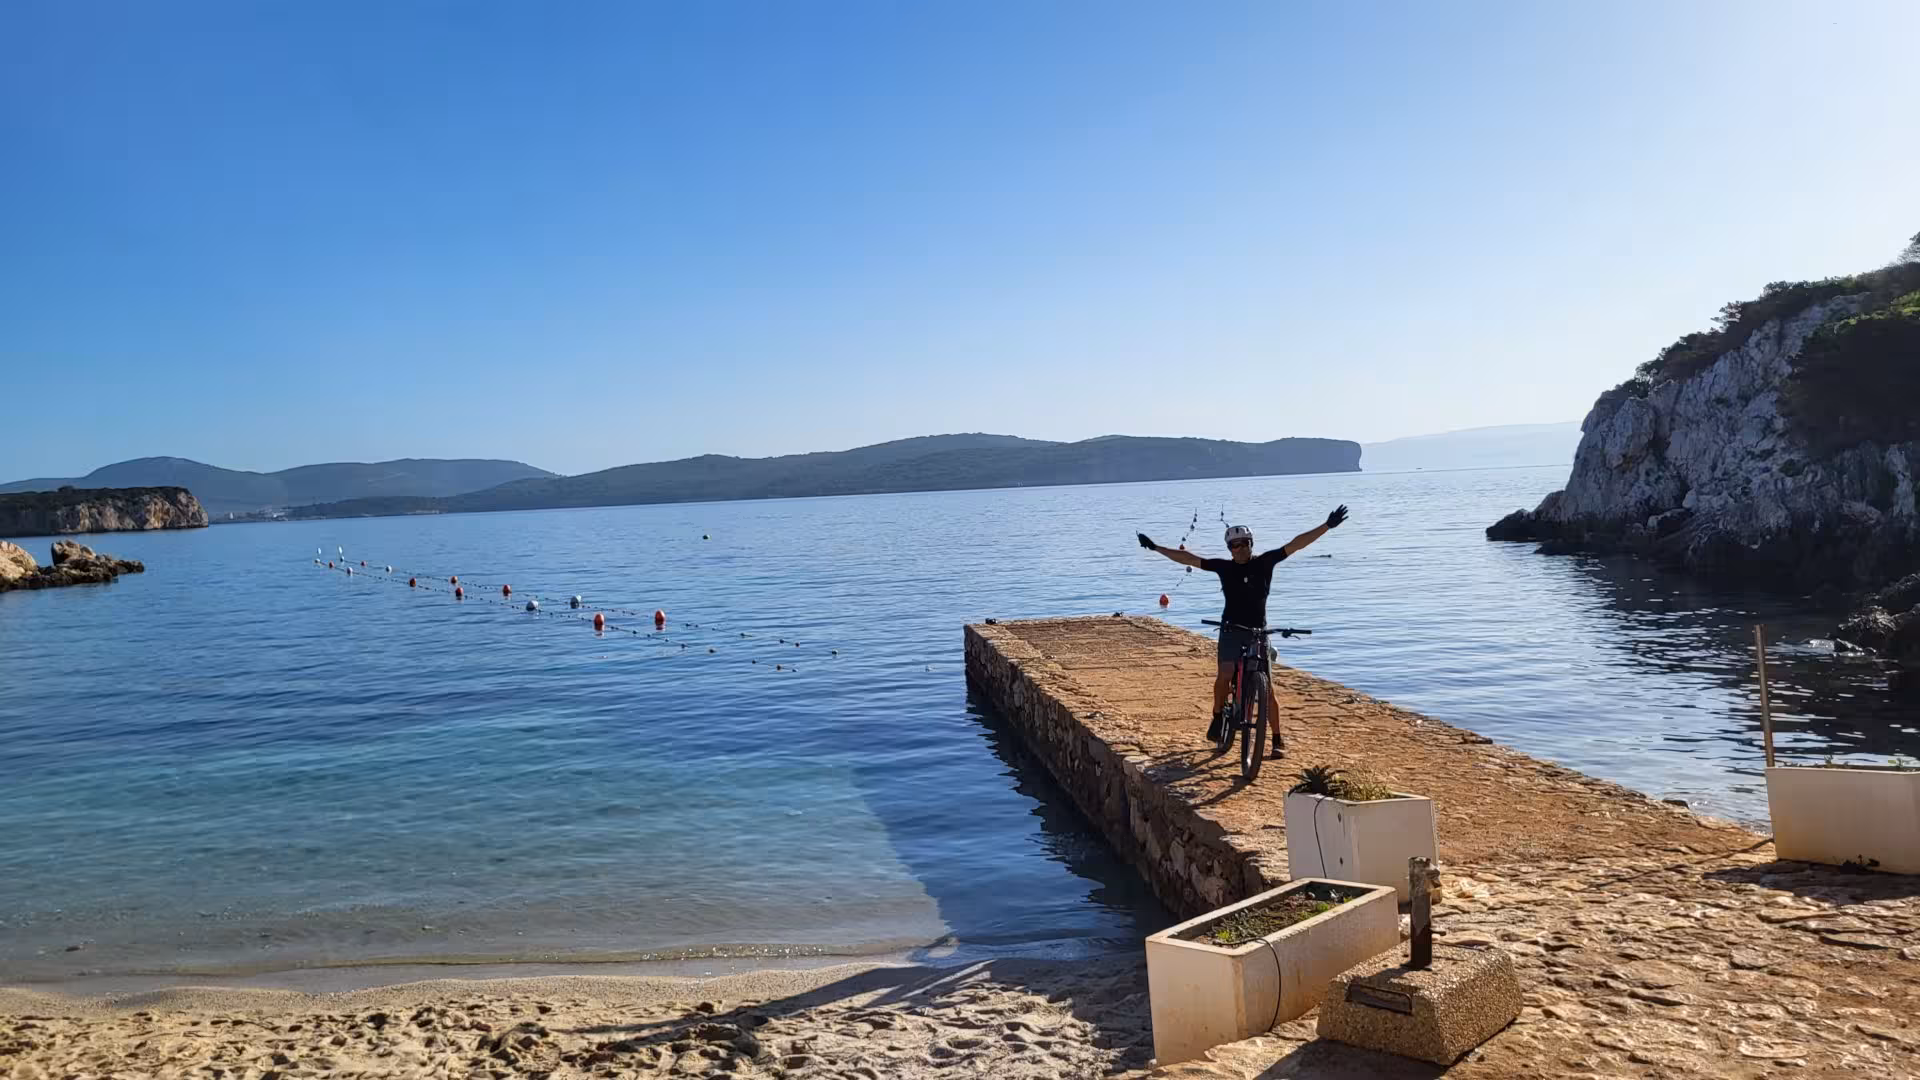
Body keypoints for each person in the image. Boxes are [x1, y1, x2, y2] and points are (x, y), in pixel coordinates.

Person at [1137, 505, 1349, 757]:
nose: (1239, 549)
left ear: (1251, 543)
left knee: (1268, 689)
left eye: (1243, 543)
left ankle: (1278, 739)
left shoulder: (1265, 562)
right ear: (1229, 549)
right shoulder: (1224, 568)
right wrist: (1156, 548)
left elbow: (1296, 544)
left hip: (1258, 631)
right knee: (1225, 674)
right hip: (1231, 629)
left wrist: (1326, 526)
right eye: (1233, 546)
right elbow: (1189, 558)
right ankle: (1217, 717)